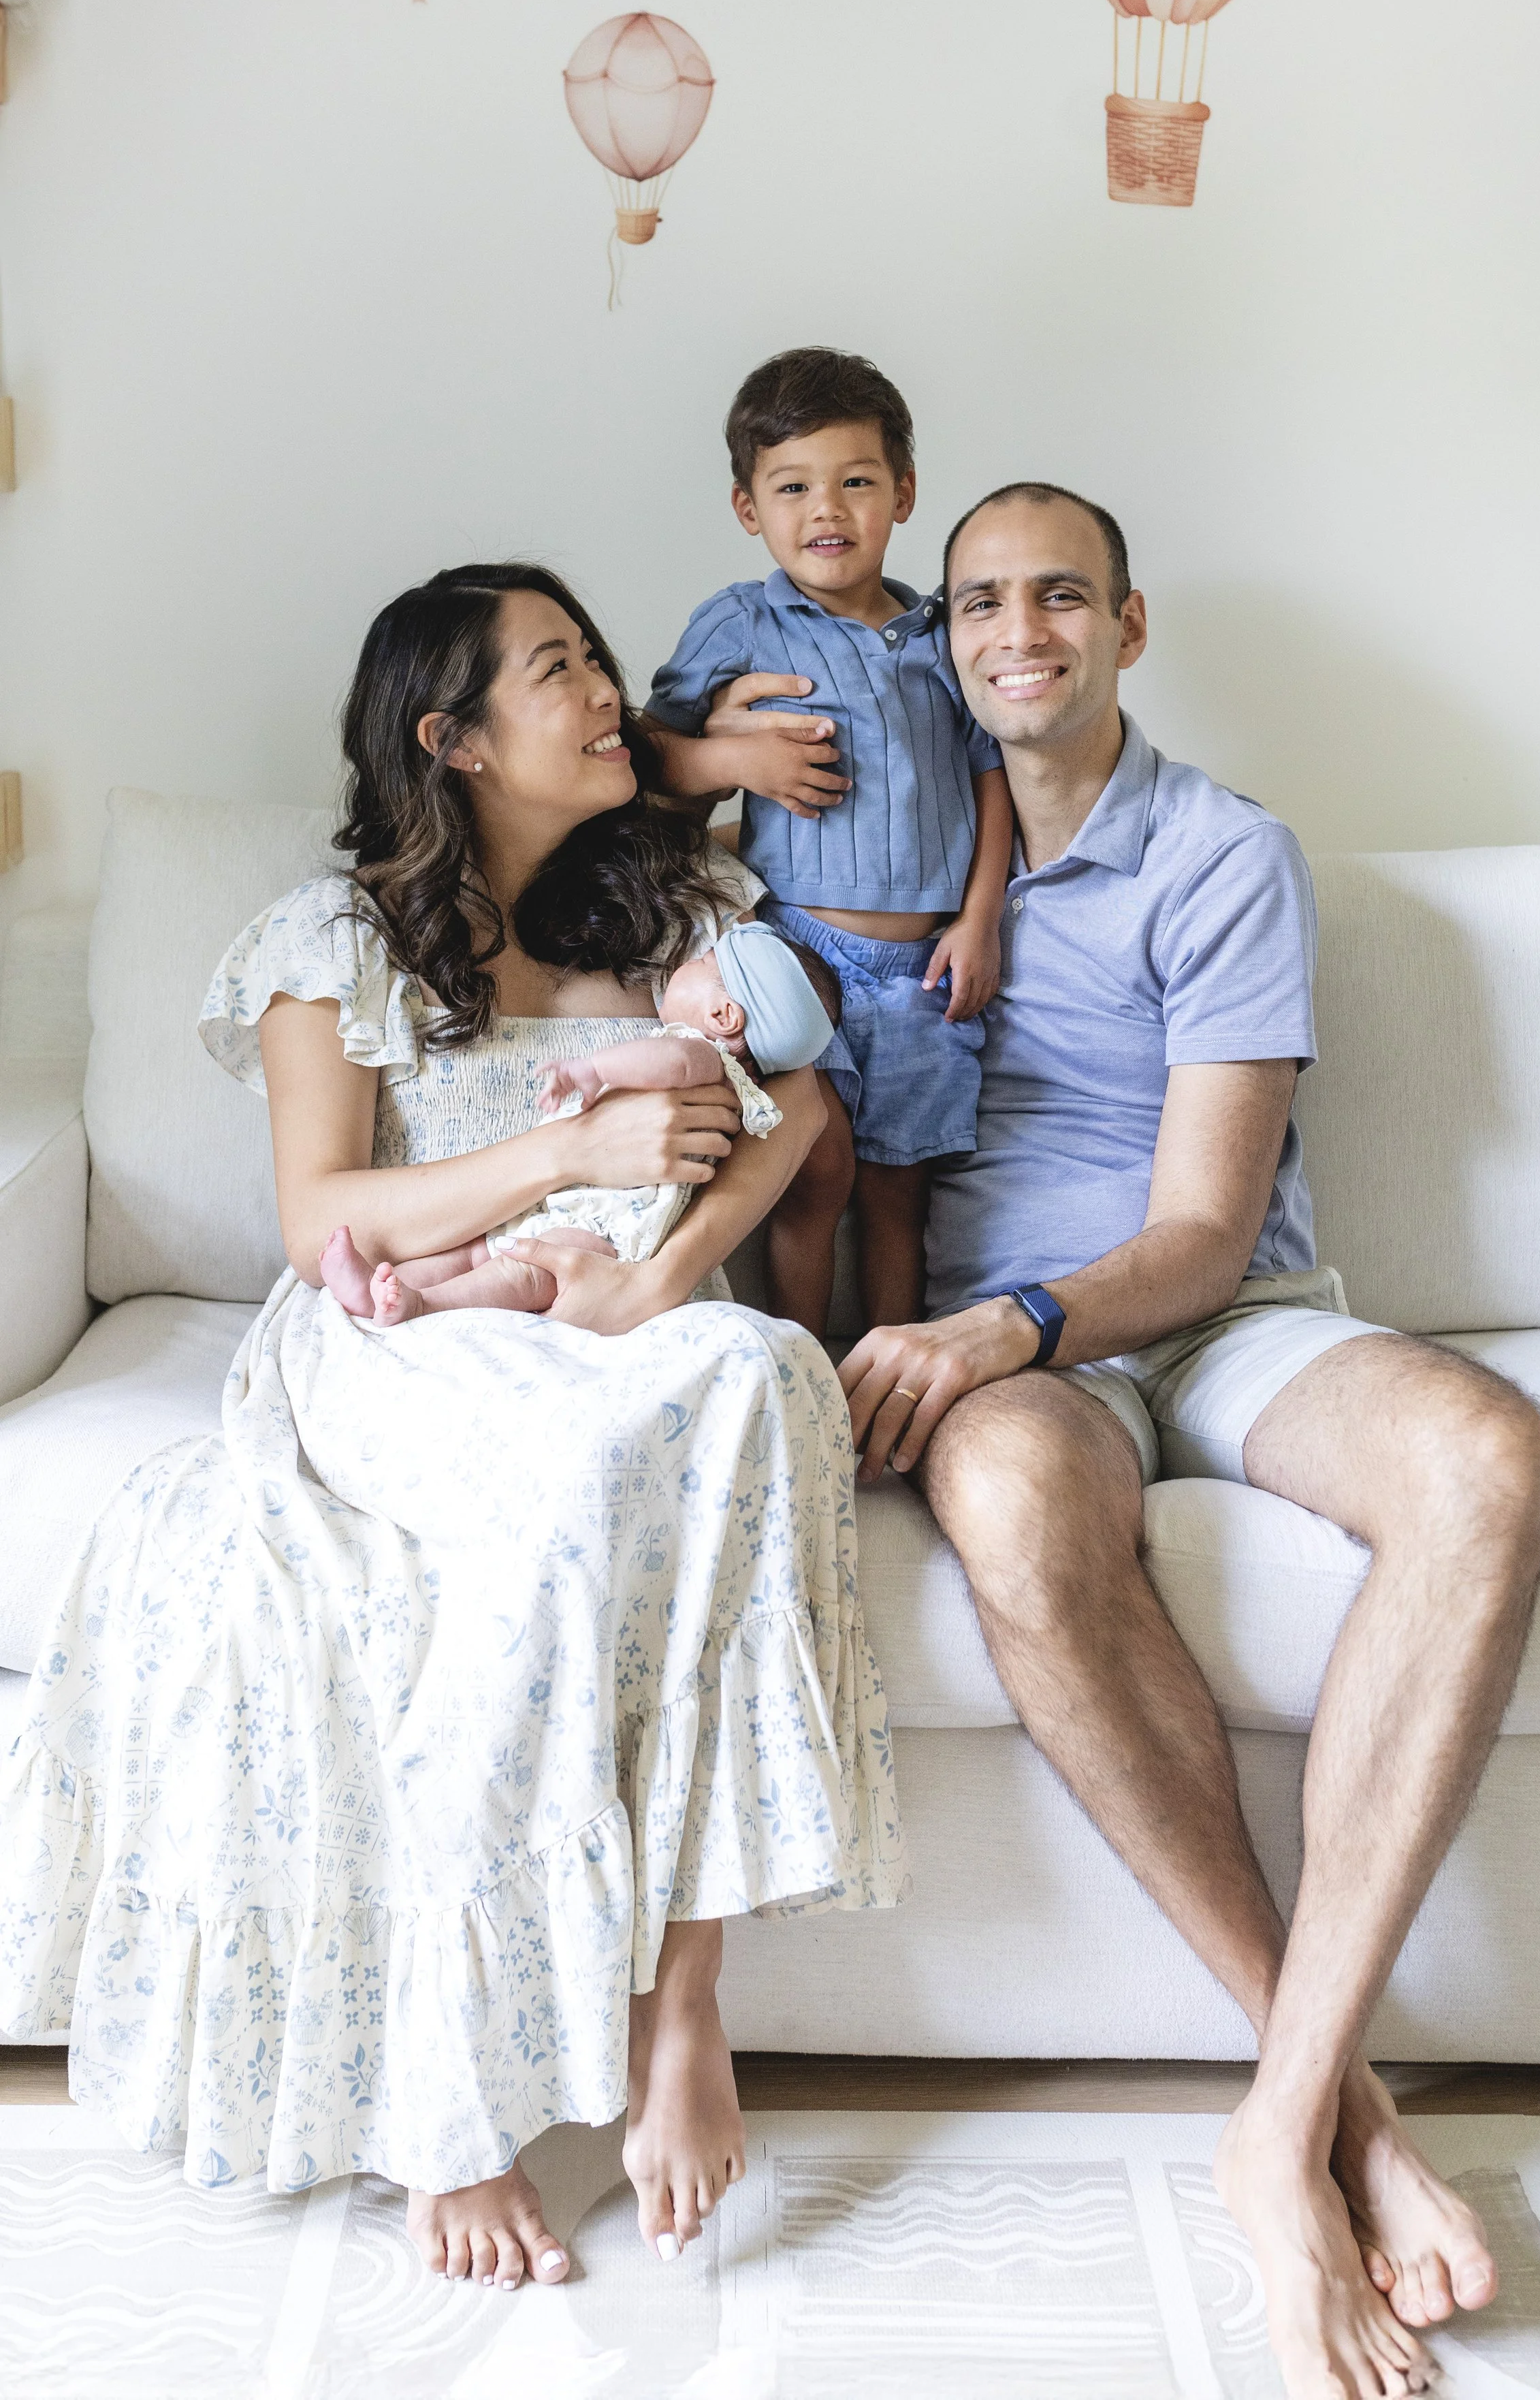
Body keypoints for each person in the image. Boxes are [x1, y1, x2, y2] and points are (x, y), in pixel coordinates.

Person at [0, 560, 905, 2292]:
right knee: (563, 1504)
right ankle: (452, 2096)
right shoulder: (327, 943)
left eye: (594, 660)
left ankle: (683, 2007)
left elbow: (793, 1108)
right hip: (403, 1333)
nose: (600, 694)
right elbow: (322, 1208)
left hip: (628, 1319)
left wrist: (664, 1284)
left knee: (764, 1378)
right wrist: (565, 1157)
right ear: (454, 736)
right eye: (556, 668)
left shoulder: (676, 901)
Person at [838, 485, 1540, 2400]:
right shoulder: (883, 859)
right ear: (942, 637)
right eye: (978, 600)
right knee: (1000, 1485)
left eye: (1058, 594)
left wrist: (1008, 1315)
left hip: (1203, 1317)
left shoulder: (1222, 850)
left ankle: (1283, 2111)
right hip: (1022, 1374)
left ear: (1127, 626)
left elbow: (1207, 1233)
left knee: (1482, 1451)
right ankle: (1340, 2109)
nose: (1017, 630)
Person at [645, 345, 1014, 1334]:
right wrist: (732, 754)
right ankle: (803, 1365)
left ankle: (889, 1388)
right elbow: (647, 752)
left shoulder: (942, 635)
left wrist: (980, 920)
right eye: (793, 486)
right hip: (798, 950)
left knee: (901, 1194)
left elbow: (992, 772)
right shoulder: (740, 623)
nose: (827, 511)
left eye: (857, 483)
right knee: (818, 1173)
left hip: (925, 966)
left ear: (903, 493)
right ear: (747, 508)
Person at [317, 921, 838, 1324]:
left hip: (607, 1228)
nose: (689, 957)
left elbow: (674, 1065)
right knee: (474, 1250)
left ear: (726, 1017)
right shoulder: (738, 1083)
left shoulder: (705, 1059)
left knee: (525, 1271)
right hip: (567, 1199)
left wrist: (594, 1069)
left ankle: (425, 1306)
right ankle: (384, 1288)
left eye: (703, 960)